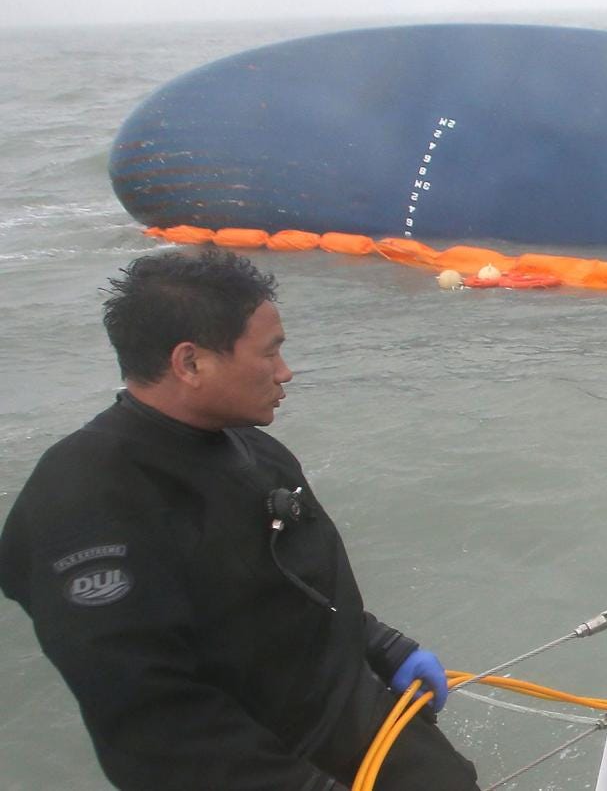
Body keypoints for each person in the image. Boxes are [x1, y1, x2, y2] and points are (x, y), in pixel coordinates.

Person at [0, 249, 480, 791]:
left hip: (362, 725)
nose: (285, 372)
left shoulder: (255, 450)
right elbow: (152, 721)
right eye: (270, 353)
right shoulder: (83, 503)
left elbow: (301, 590)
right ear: (190, 362)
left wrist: (386, 648)